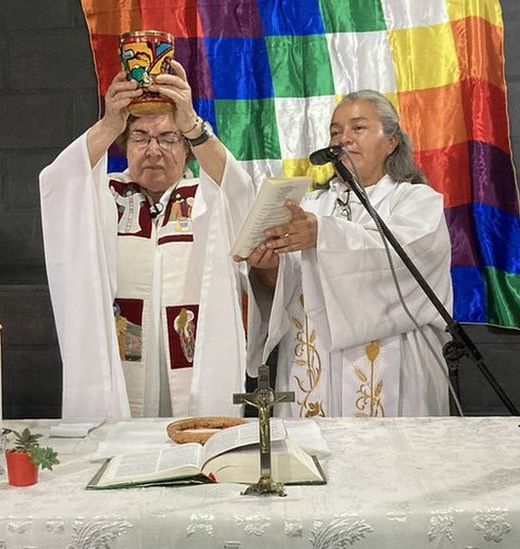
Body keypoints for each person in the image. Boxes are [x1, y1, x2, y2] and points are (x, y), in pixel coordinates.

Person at [40, 60, 255, 418]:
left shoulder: (204, 196)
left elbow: (239, 192)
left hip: (193, 367)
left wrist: (191, 122)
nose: (153, 150)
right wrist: (109, 123)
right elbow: (58, 185)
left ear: (187, 148)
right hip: (124, 372)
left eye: (169, 138)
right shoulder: (107, 195)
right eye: (140, 137)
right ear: (124, 145)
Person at [238, 90, 453, 417]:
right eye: (335, 131)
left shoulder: (417, 203)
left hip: (396, 371)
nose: (343, 139)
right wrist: (267, 268)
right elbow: (285, 289)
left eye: (358, 128)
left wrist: (323, 235)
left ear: (391, 141)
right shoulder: (308, 207)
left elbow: (403, 259)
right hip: (312, 375)